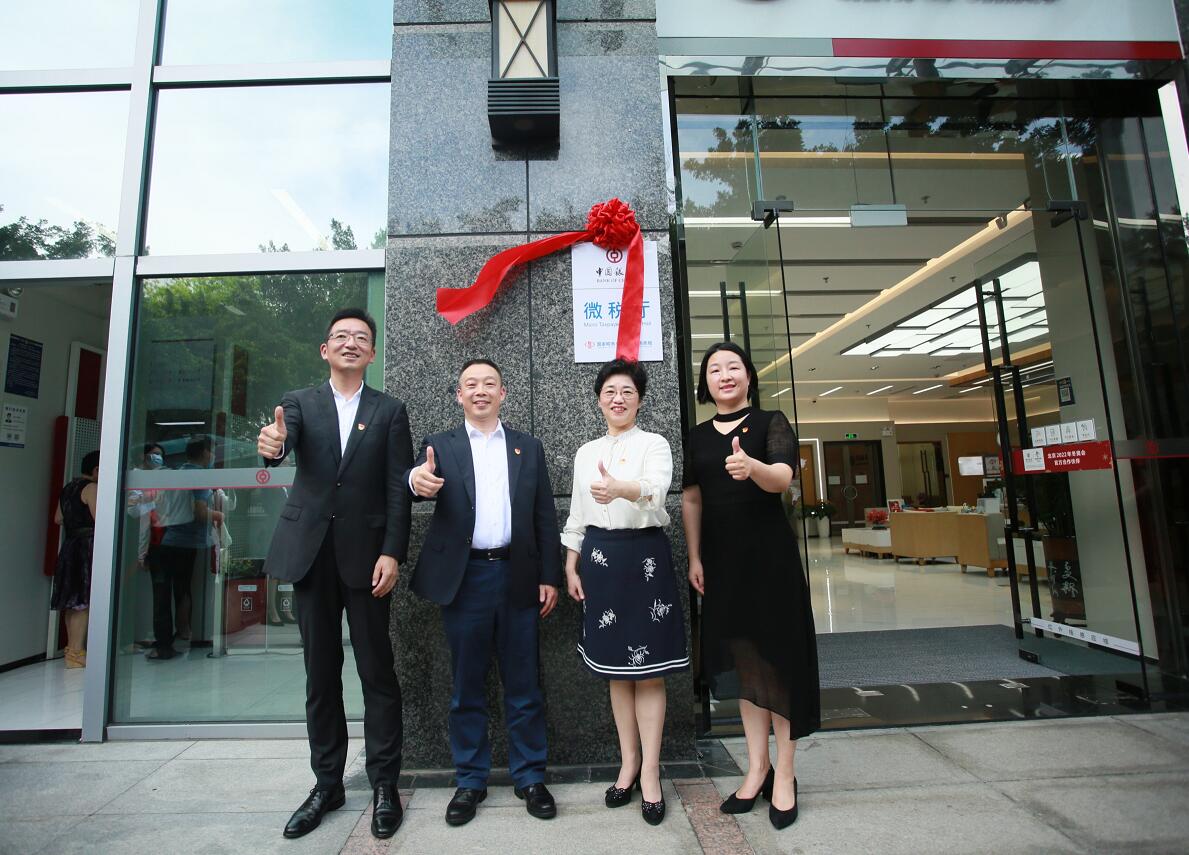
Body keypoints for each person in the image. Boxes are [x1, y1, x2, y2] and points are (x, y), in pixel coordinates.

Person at [257, 307, 413, 841]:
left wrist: (392, 552)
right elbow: (282, 441)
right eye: (341, 336)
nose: (351, 343)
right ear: (325, 350)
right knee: (320, 674)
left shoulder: (389, 411)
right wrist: (273, 444)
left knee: (377, 672)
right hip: (311, 555)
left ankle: (385, 784)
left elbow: (397, 487)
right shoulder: (300, 403)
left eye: (361, 338)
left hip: (367, 559)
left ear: (372, 353)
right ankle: (327, 784)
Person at [407, 358, 561, 827]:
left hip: (518, 575)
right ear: (459, 395)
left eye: (489, 383)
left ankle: (530, 776)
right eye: (470, 384)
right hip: (466, 579)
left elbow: (544, 515)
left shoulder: (527, 447)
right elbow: (413, 484)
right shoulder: (440, 446)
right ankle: (470, 780)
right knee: (466, 685)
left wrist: (549, 576)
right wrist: (416, 482)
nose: (480, 390)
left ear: (503, 393)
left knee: (524, 684)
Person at [681, 341, 820, 831]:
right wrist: (695, 556)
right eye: (714, 369)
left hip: (769, 561)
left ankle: (786, 772)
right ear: (705, 382)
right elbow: (692, 499)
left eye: (733, 367)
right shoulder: (697, 437)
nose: (724, 375)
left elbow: (782, 477)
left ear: (748, 376)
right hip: (723, 563)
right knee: (745, 666)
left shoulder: (769, 423)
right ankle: (757, 767)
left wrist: (752, 467)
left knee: (778, 662)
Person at [562, 359, 687, 826]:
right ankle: (628, 764)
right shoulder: (585, 452)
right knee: (617, 670)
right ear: (599, 399)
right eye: (610, 391)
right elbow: (577, 514)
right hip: (600, 560)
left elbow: (657, 490)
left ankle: (651, 771)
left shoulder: (654, 444)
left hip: (645, 557)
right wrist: (570, 563)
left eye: (627, 392)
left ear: (639, 400)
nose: (618, 399)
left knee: (649, 673)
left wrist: (621, 489)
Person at [146, 436, 221, 660]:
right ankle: (185, 633)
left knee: (162, 593)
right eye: (212, 452)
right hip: (187, 541)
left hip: (167, 539)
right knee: (183, 590)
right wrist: (220, 515)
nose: (213, 456)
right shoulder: (200, 477)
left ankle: (163, 643)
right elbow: (200, 512)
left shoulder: (177, 473)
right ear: (205, 452)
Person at [51, 450, 100, 668]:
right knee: (82, 600)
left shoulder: (68, 488)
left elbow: (58, 518)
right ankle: (77, 652)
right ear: (96, 470)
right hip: (86, 546)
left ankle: (71, 651)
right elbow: (100, 517)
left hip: (69, 546)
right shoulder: (91, 488)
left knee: (70, 600)